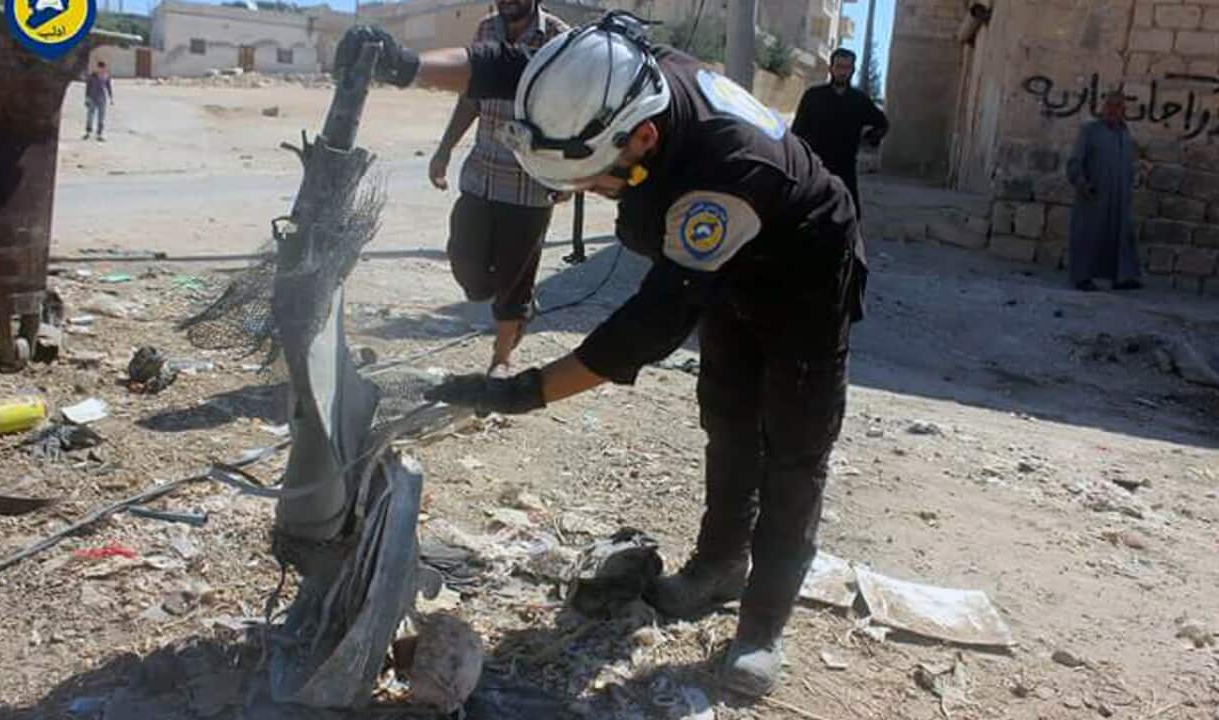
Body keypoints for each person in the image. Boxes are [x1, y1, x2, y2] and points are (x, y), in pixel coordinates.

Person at [334, 11, 866, 697]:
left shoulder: (724, 170)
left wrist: (525, 391)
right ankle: (719, 566)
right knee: (729, 417)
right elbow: (505, 64)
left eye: (595, 179)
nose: (587, 192)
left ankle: (762, 627)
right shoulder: (602, 79)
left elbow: (651, 322)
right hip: (724, 269)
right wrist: (405, 66)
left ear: (643, 136)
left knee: (794, 448)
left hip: (802, 273)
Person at [429, 0, 570, 376]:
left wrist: (566, 176)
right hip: (481, 174)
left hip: (530, 185)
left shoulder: (560, 38)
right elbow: (471, 97)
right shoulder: (486, 30)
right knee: (467, 267)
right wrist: (443, 151)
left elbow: (574, 113)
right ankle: (517, 305)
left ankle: (502, 357)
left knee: (515, 278)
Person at [790, 48, 888, 220]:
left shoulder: (859, 100)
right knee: (808, 213)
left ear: (852, 70)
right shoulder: (813, 97)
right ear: (831, 68)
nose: (842, 72)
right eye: (839, 67)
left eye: (847, 68)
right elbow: (797, 131)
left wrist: (870, 139)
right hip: (816, 166)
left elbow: (882, 123)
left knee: (849, 215)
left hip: (845, 167)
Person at [1065, 91, 1142, 292]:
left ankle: (1121, 277)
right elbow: (1074, 163)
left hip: (1118, 198)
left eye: (1118, 106)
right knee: (1088, 236)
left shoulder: (1125, 135)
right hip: (1093, 195)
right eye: (1109, 105)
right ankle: (1082, 278)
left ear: (1123, 111)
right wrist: (1082, 183)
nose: (1112, 110)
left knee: (1118, 237)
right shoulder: (1090, 131)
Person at [84, 61, 113, 142]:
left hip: (102, 98)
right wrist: (87, 97)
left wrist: (111, 97)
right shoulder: (92, 76)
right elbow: (88, 86)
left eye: (102, 68)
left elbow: (108, 86)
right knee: (90, 115)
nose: (101, 69)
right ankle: (88, 132)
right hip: (92, 97)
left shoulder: (106, 76)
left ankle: (99, 134)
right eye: (100, 68)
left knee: (101, 117)